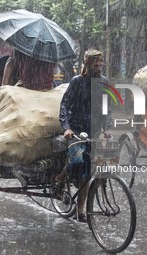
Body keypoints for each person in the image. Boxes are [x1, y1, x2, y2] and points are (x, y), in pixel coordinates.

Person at [58, 49, 109, 222]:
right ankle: (60, 179)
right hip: (77, 129)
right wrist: (66, 127)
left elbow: (106, 109)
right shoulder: (77, 82)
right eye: (96, 65)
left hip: (94, 130)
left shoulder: (104, 83)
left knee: (89, 170)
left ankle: (80, 211)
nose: (99, 68)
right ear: (87, 64)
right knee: (77, 161)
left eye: (101, 64)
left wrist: (105, 129)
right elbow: (65, 104)